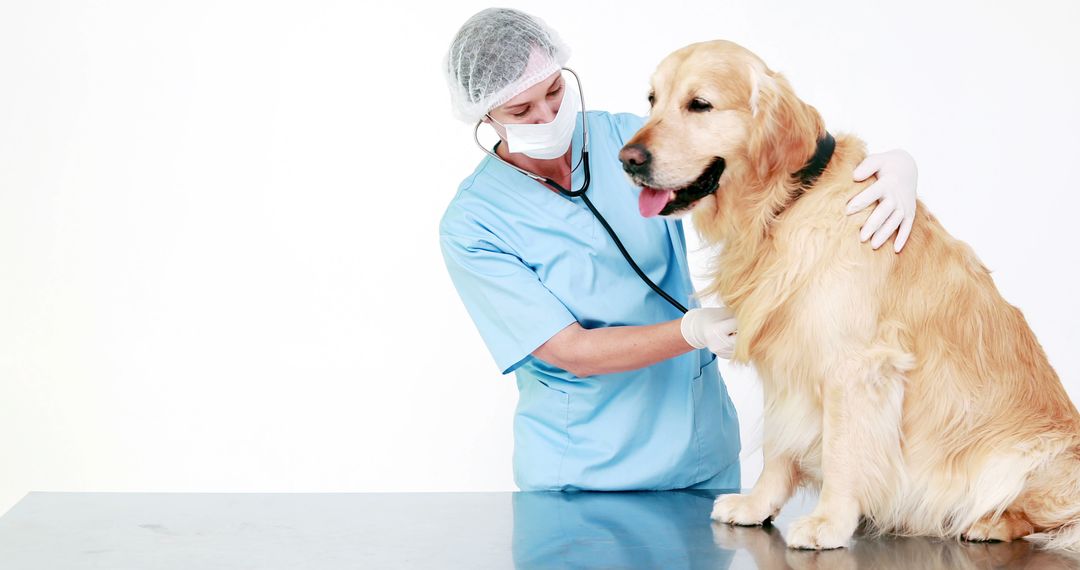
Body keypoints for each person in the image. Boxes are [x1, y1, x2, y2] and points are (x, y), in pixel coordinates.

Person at [439, 8, 919, 492]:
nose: (546, 116)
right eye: (520, 111)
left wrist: (889, 165)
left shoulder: (628, 140)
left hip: (701, 452)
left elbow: (766, 171)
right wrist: (693, 330)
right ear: (484, 114)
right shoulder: (474, 223)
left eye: (554, 92)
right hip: (584, 474)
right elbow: (571, 351)